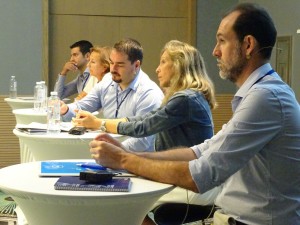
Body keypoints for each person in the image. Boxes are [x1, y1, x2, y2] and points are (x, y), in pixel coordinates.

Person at [89, 3, 300, 225]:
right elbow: (201, 151)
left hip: (245, 221)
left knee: (128, 213)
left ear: (248, 45)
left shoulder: (265, 97)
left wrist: (124, 159)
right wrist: (131, 156)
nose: (215, 51)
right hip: (229, 216)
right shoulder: (258, 94)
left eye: (222, 40)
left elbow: (201, 174)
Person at [73, 40, 217, 151]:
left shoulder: (185, 99)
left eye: (163, 62)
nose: (157, 69)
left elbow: (143, 127)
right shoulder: (188, 97)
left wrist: (100, 124)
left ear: (178, 66)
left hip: (186, 182)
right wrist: (99, 123)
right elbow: (143, 118)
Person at [61, 38, 164, 152]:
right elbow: (83, 106)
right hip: (107, 154)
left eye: (120, 64)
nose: (113, 69)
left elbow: (142, 140)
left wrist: (111, 151)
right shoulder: (108, 80)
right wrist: (65, 109)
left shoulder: (149, 93)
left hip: (136, 159)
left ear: (136, 65)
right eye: (111, 62)